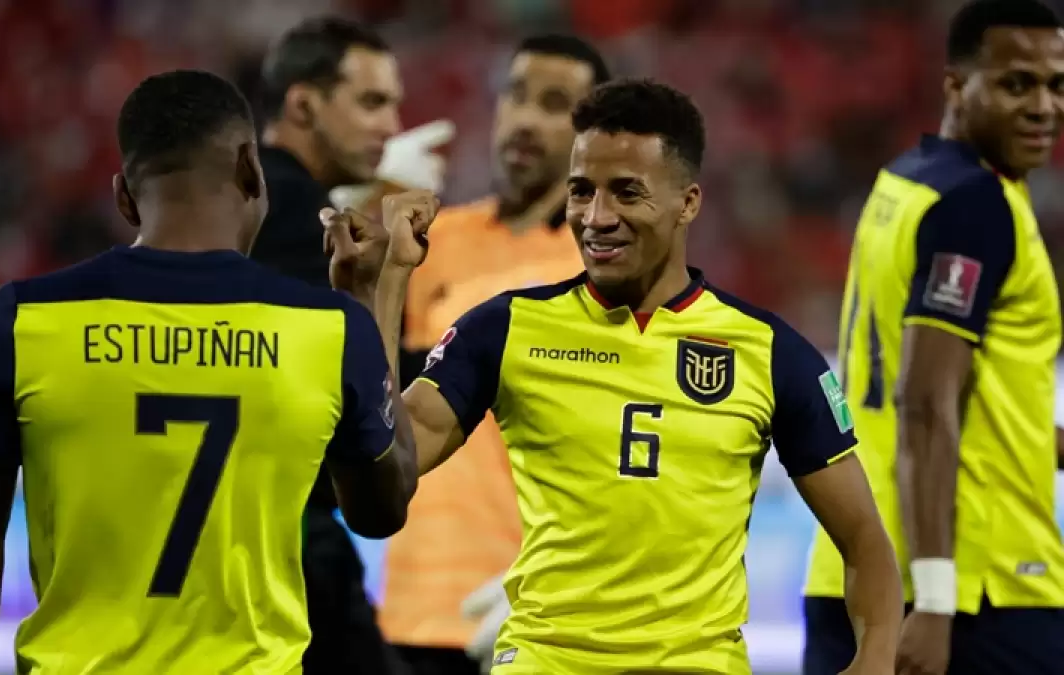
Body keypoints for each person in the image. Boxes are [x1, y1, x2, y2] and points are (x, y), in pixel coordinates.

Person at [326, 79, 903, 675]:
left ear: (688, 203)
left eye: (627, 193)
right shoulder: (503, 329)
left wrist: (876, 658)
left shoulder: (770, 352)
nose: (597, 218)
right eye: (582, 191)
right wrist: (378, 293)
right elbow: (378, 497)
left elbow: (865, 541)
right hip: (547, 660)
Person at [0, 69, 418, 675]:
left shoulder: (21, 319)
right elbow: (382, 510)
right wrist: (371, 299)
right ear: (251, 169)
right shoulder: (330, 327)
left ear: (124, 198)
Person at [802, 2, 1064, 674]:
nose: (1043, 106)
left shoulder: (905, 182)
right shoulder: (976, 206)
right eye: (1016, 84)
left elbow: (957, 399)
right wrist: (938, 599)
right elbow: (922, 402)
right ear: (956, 85)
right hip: (973, 584)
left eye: (1056, 85)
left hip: (850, 564)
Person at [380, 34, 609, 675]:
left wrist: (558, 587)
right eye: (517, 96)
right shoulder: (433, 242)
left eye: (555, 104)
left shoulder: (600, 267)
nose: (526, 119)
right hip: (409, 610)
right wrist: (357, 197)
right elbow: (368, 385)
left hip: (532, 618)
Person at [249, 16, 450, 675]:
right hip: (287, 541)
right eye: (371, 102)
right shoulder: (297, 215)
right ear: (304, 103)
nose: (391, 125)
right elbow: (354, 377)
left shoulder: (244, 204)